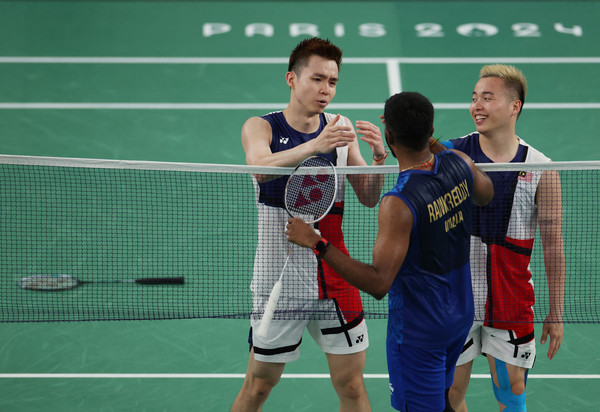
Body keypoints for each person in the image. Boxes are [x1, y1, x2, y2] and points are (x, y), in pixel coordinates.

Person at [287, 91, 494, 412]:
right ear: (430, 130)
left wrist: (316, 242)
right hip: (459, 316)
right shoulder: (460, 163)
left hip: (419, 331)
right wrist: (432, 142)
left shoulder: (400, 202)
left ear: (388, 135)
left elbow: (378, 283)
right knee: (441, 399)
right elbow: (486, 194)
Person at [231, 37, 387, 412]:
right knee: (259, 386)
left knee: (352, 386)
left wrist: (379, 157)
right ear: (291, 78)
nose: (325, 89)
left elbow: (367, 195)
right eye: (317, 79)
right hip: (278, 283)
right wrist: (314, 146)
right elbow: (259, 170)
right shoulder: (260, 127)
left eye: (332, 82)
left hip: (335, 277)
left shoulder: (339, 127)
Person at [432, 64, 566, 412]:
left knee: (511, 393)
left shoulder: (541, 168)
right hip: (456, 299)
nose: (477, 105)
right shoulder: (450, 155)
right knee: (448, 395)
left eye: (487, 98)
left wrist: (557, 311)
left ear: (514, 107)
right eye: (474, 98)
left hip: (511, 302)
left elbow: (552, 244)